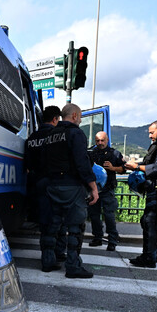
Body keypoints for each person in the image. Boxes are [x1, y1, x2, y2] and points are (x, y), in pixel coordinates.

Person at [38, 103, 99, 278]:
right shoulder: (76, 133)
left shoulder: (50, 135)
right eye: (80, 117)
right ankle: (73, 266)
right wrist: (93, 187)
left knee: (52, 225)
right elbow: (82, 163)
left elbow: (42, 161)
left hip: (51, 185)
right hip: (71, 186)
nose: (80, 120)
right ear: (74, 116)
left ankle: (48, 262)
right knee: (75, 227)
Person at [124, 119, 157, 268]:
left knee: (150, 222)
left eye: (152, 132)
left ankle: (149, 257)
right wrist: (135, 167)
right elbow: (150, 164)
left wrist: (137, 167)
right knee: (156, 223)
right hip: (156, 189)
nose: (149, 135)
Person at [25, 106, 66, 263]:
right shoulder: (56, 135)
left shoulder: (31, 138)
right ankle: (58, 254)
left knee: (44, 221)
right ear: (55, 119)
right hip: (55, 182)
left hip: (37, 183)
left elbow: (28, 164)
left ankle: (48, 255)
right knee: (58, 220)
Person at [87, 131, 124, 251]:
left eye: (102, 140)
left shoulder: (115, 153)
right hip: (94, 189)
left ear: (107, 140)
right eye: (97, 140)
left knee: (109, 215)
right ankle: (97, 238)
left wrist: (113, 168)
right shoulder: (90, 153)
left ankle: (112, 240)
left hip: (108, 189)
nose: (100, 143)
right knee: (94, 215)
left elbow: (123, 169)